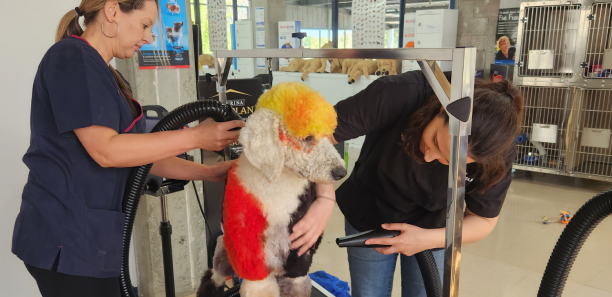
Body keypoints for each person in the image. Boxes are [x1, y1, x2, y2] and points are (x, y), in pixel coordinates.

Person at [11, 1, 244, 296]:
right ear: (112, 11)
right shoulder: (72, 57)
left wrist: (210, 173)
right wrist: (197, 138)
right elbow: (107, 151)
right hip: (67, 239)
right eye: (145, 25)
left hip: (92, 240)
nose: (148, 38)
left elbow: (140, 156)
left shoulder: (108, 75)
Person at [289, 71, 523, 297]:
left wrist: (427, 239)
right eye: (434, 141)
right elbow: (313, 138)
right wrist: (324, 198)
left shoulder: (495, 153)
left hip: (435, 227)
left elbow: (483, 220)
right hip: (370, 211)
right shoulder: (401, 93)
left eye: (448, 162)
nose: (430, 157)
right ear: (442, 109)